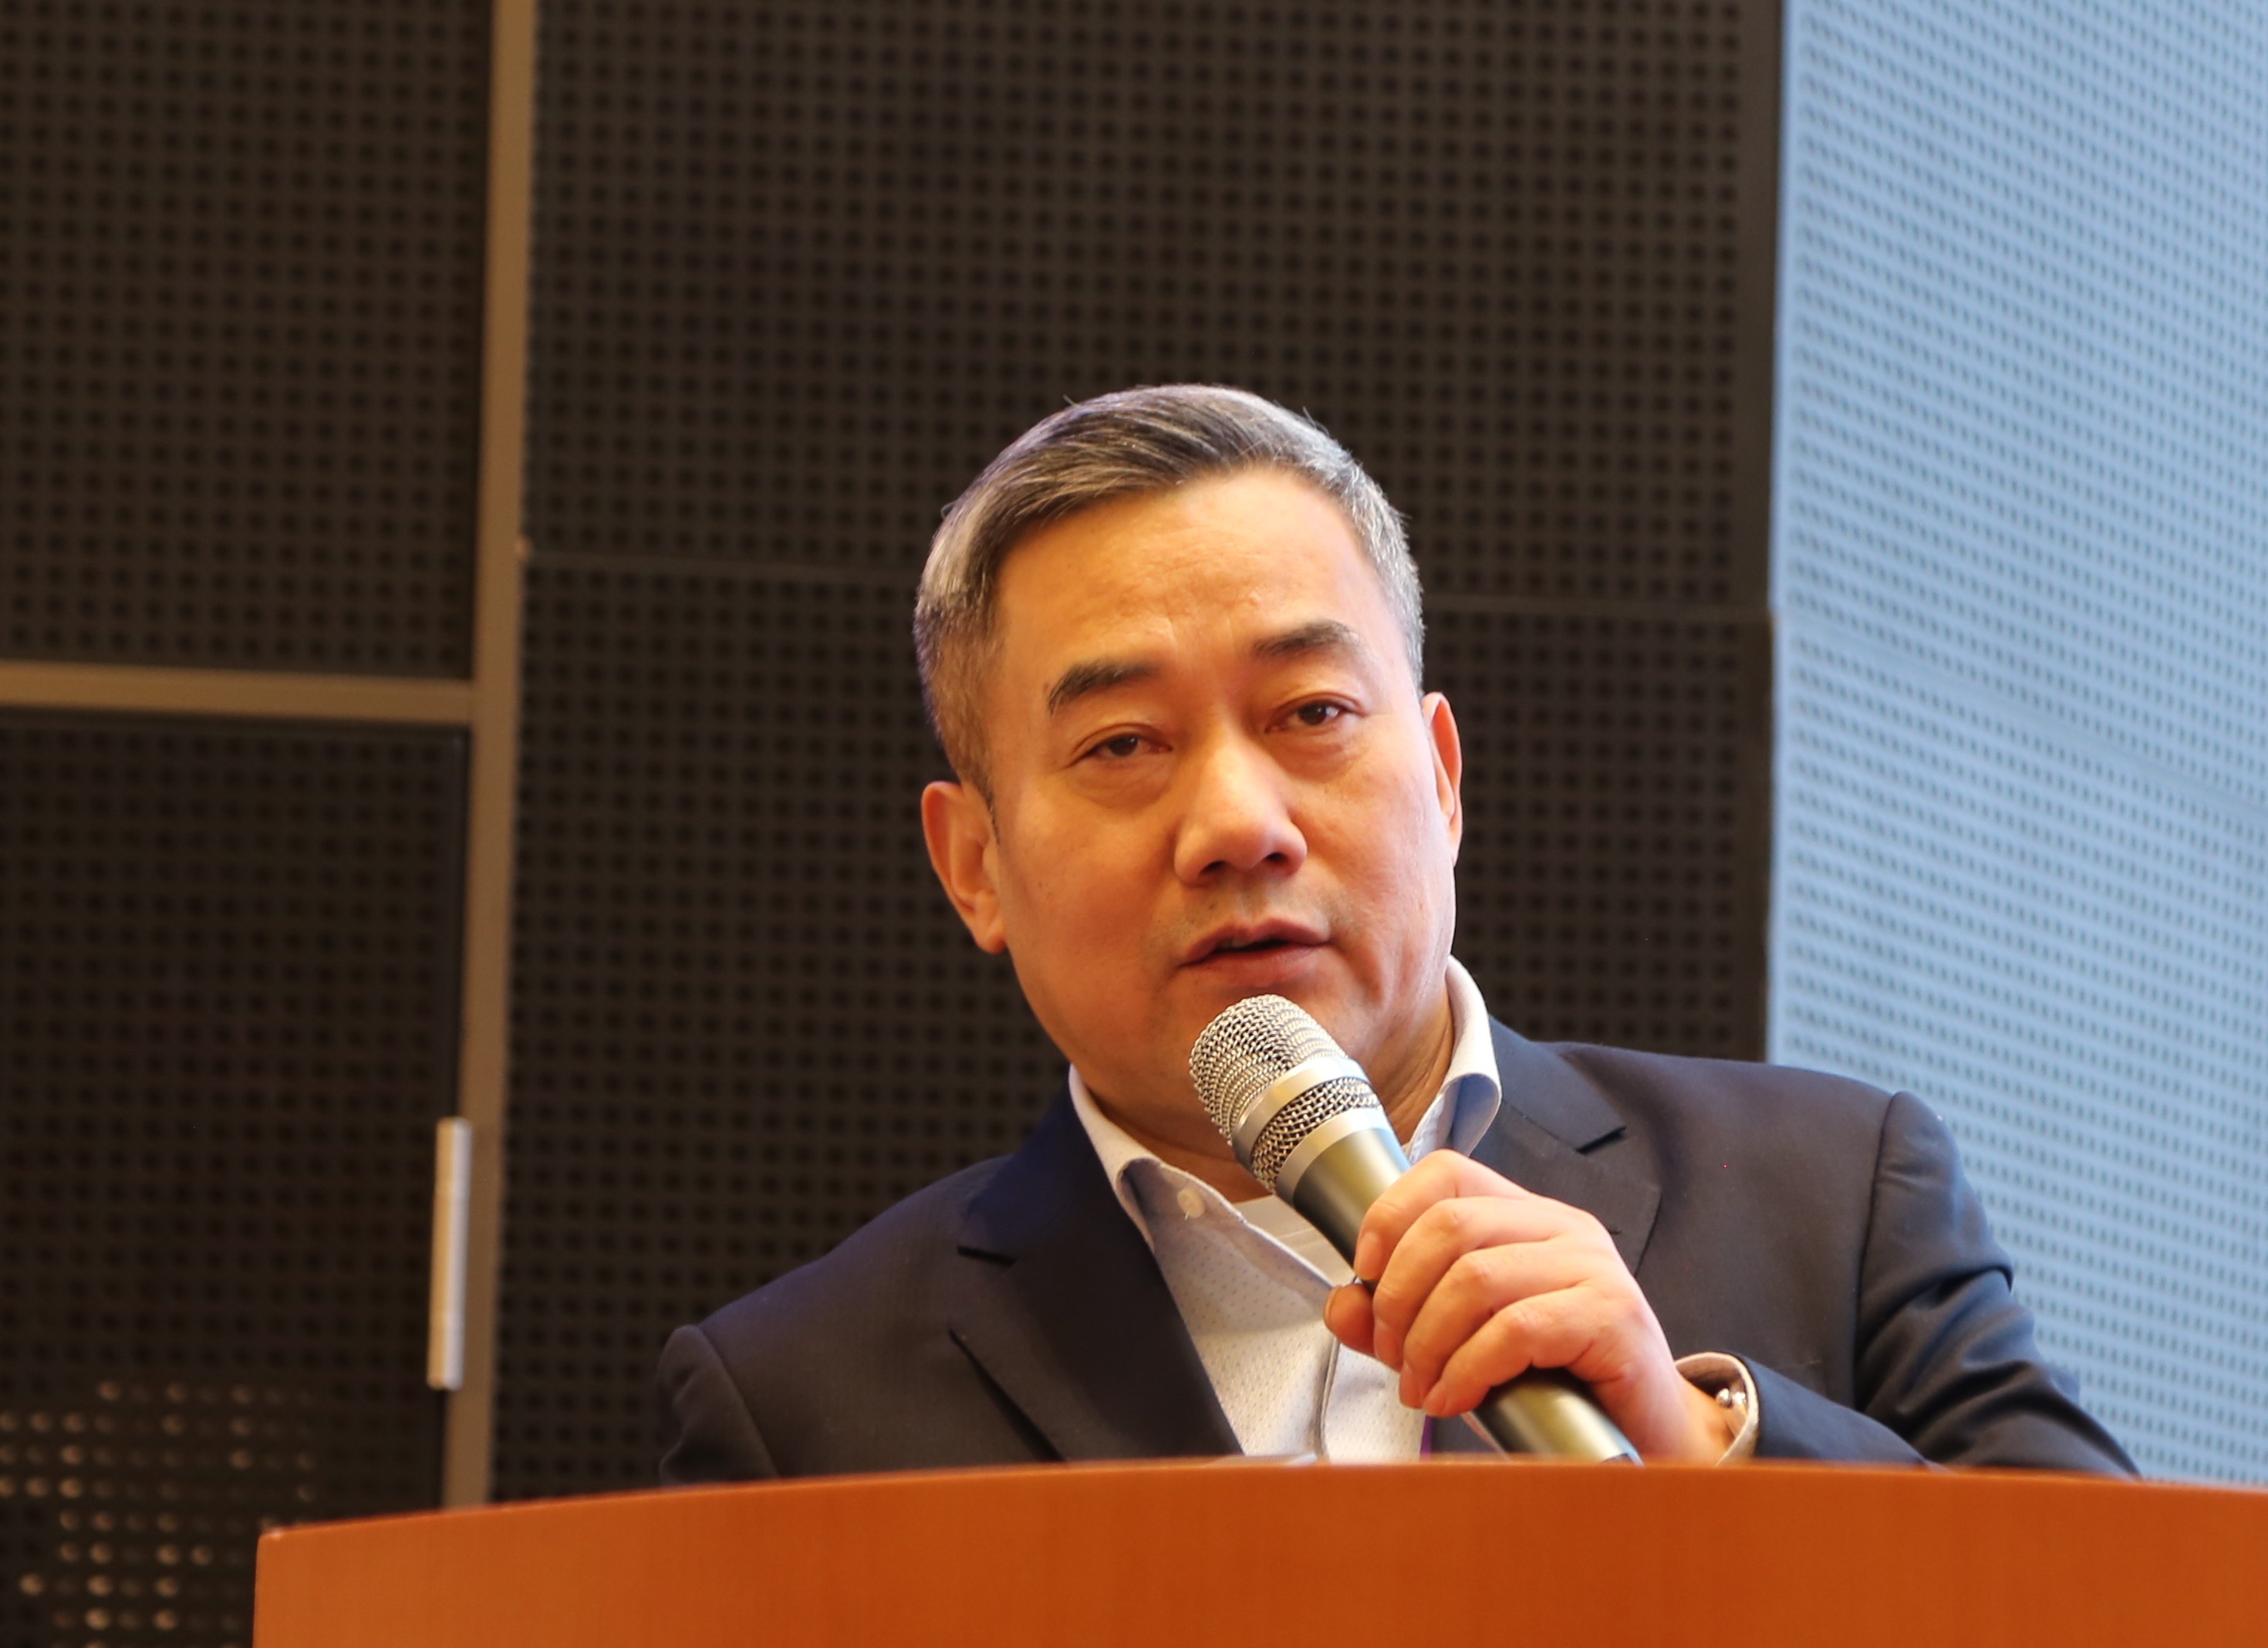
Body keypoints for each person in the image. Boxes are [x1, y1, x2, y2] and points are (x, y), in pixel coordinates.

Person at [654, 384, 2127, 1482]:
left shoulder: (1836, 1198)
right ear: (973, 865)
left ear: (1442, 777)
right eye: (1123, 745)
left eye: (1312, 714)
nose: (1239, 824)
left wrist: (1695, 1441)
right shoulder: (799, 1401)